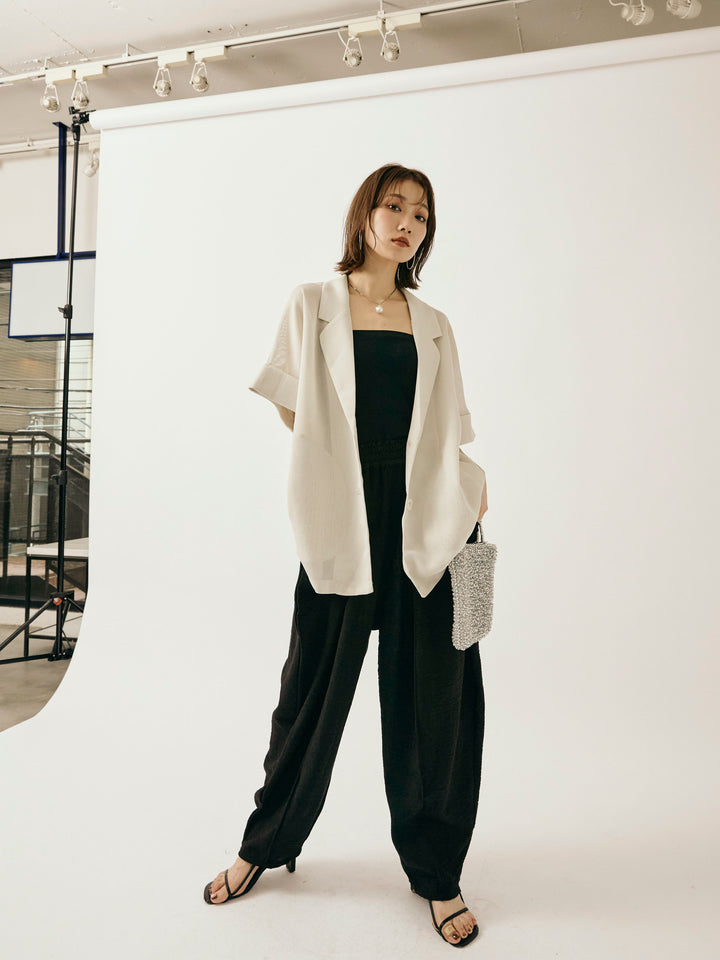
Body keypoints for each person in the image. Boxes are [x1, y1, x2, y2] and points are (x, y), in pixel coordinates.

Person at [204, 164, 489, 947]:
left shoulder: (434, 322)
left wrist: (471, 488)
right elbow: (294, 411)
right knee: (310, 693)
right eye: (394, 206)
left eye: (421, 214)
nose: (407, 223)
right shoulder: (312, 304)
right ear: (364, 215)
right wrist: (349, 466)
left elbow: (448, 429)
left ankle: (437, 874)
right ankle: (264, 845)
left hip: (433, 518)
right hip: (346, 516)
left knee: (438, 703)